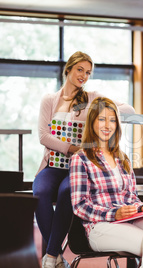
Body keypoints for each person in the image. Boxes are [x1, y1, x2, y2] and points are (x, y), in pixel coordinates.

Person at [33, 51, 135, 268]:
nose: (84, 76)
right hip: (53, 165)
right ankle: (57, 255)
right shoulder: (50, 99)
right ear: (68, 69)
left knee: (66, 192)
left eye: (88, 72)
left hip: (79, 168)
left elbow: (128, 109)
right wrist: (73, 148)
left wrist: (104, 114)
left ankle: (51, 257)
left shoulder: (91, 97)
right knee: (39, 193)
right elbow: (43, 135)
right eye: (80, 70)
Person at [70, 97, 143, 267]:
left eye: (112, 120)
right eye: (101, 119)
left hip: (127, 221)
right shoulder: (80, 159)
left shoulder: (122, 158)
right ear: (92, 122)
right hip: (100, 228)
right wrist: (114, 214)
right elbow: (80, 206)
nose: (107, 125)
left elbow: (131, 197)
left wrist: (141, 208)